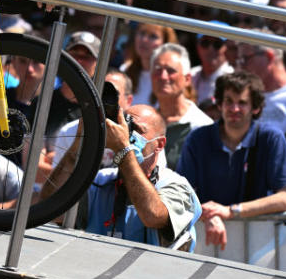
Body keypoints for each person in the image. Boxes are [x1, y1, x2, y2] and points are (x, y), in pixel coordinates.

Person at [178, 71, 286, 250]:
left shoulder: (271, 137)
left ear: (256, 108)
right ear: (219, 104)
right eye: (228, 101)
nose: (234, 109)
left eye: (242, 103)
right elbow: (182, 194)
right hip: (207, 243)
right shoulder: (197, 139)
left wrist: (231, 211)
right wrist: (210, 214)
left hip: (261, 246)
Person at [76, 104, 201, 249]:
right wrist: (78, 143)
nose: (127, 135)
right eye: (124, 127)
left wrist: (124, 150)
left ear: (159, 144)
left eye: (135, 129)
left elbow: (152, 216)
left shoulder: (177, 186)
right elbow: (57, 214)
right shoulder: (100, 181)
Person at [150, 43, 213, 169]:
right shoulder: (144, 121)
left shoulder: (202, 126)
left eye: (171, 70)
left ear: (187, 79)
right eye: (157, 70)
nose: (163, 77)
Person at [120, 23, 178, 106]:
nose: (144, 40)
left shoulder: (173, 77)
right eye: (142, 33)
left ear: (165, 44)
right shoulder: (125, 70)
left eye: (153, 36)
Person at [190, 22, 234, 114]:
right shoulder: (190, 75)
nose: (210, 49)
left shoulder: (233, 78)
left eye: (217, 44)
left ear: (228, 48)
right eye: (205, 43)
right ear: (198, 47)